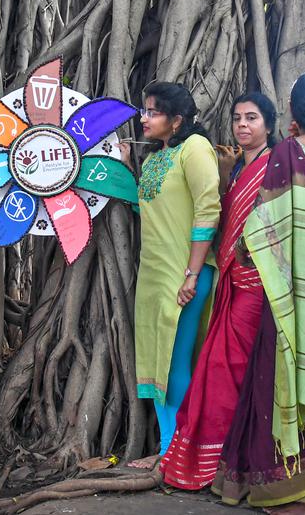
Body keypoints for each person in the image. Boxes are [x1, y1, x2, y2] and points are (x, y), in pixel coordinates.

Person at [214, 71, 305, 514]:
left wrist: (241, 253)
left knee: (283, 372)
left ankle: (291, 488)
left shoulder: (289, 152)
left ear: (293, 111)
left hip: (298, 283)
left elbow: (264, 223)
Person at [162, 93, 277, 489]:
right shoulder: (238, 168)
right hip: (229, 284)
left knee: (229, 371)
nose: (243, 125)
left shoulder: (275, 167)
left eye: (252, 118)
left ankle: (231, 461)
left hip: (255, 287)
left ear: (269, 125)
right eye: (237, 118)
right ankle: (215, 459)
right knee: (215, 368)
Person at [126, 82, 220, 469]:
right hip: (154, 274)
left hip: (186, 274)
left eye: (153, 112)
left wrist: (192, 274)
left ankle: (174, 454)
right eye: (144, 110)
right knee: (157, 359)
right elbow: (146, 209)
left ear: (177, 119)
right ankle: (166, 449)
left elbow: (208, 209)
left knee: (176, 362)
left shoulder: (195, 149)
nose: (144, 118)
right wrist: (119, 167)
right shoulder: (153, 160)